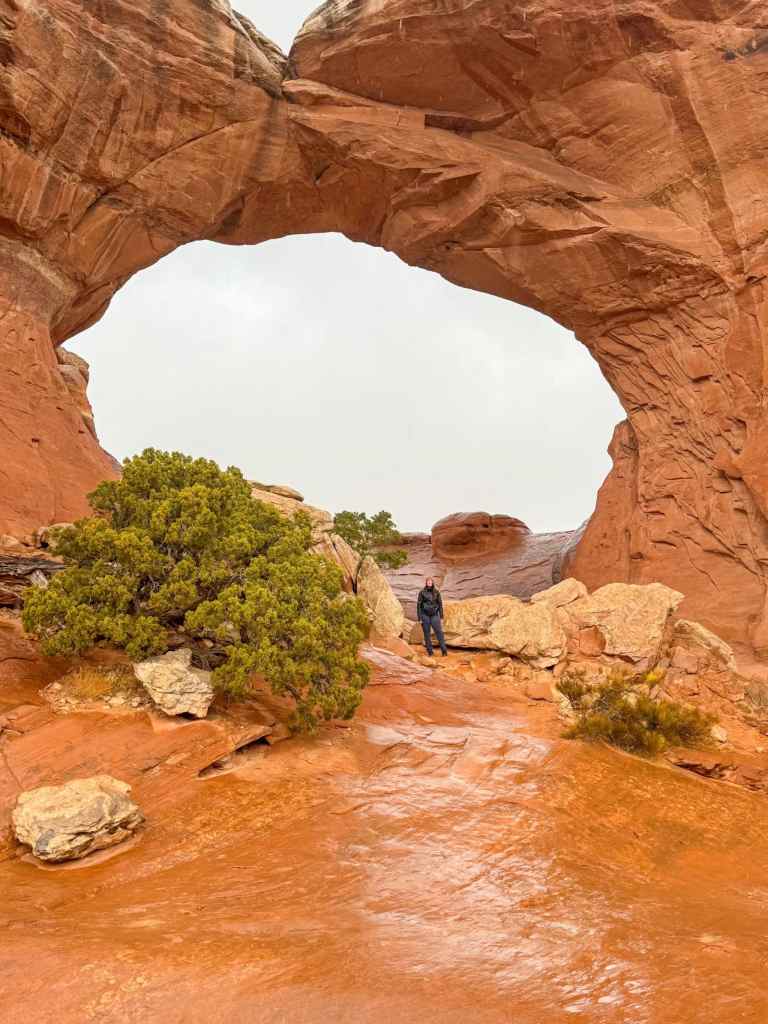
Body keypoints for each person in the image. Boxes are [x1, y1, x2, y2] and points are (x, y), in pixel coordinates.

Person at [417, 577, 448, 657]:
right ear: (426, 583)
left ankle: (444, 650)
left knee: (439, 632)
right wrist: (419, 618)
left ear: (432, 583)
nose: (429, 583)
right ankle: (430, 652)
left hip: (434, 615)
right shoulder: (422, 592)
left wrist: (441, 616)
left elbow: (440, 604)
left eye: (431, 582)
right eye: (428, 582)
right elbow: (419, 606)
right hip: (425, 615)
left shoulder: (437, 592)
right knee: (427, 634)